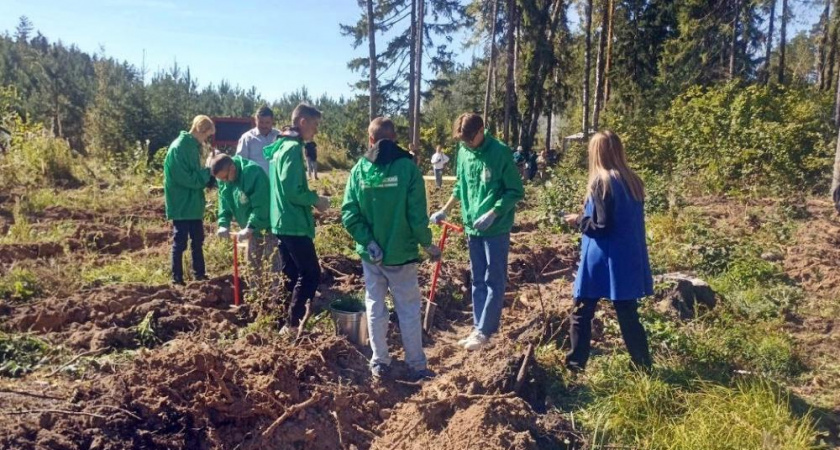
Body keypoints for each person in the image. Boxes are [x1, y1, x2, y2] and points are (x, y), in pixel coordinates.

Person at [342, 117, 441, 381]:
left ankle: (380, 361)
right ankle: (416, 365)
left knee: (375, 306)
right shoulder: (408, 170)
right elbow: (417, 215)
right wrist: (428, 244)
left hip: (372, 257)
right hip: (402, 255)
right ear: (394, 139)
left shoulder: (359, 170)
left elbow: (349, 214)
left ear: (370, 139)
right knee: (408, 309)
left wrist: (369, 242)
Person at [430, 113, 524, 351]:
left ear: (482, 130)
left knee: (495, 279)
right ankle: (478, 326)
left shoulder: (500, 152)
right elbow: (461, 185)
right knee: (477, 279)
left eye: (470, 140)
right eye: (462, 141)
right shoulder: (464, 152)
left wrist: (494, 212)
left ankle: (486, 331)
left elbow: (515, 190)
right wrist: (445, 210)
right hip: (473, 227)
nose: (466, 144)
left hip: (496, 229)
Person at [563, 131, 653, 372]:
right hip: (627, 256)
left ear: (597, 153)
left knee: (581, 312)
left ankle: (574, 366)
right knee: (627, 313)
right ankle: (643, 366)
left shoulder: (601, 182)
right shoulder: (632, 181)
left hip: (601, 257)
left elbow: (601, 226)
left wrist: (579, 220)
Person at [263, 103, 330, 332]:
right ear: (302, 122)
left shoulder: (280, 145)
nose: (316, 131)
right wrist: (316, 200)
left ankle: (282, 320)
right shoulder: (291, 148)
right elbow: (292, 191)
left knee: (291, 273)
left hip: (280, 219)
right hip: (292, 221)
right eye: (315, 125)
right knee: (311, 273)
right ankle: (292, 326)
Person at [163, 115, 214, 285]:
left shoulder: (193, 146)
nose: (206, 139)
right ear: (200, 130)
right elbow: (185, 178)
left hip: (193, 202)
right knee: (180, 242)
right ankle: (176, 278)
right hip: (182, 203)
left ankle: (199, 274)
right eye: (207, 135)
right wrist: (207, 175)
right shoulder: (179, 147)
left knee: (197, 240)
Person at [210, 153, 279, 276]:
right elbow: (224, 201)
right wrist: (223, 224)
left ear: (232, 168)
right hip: (251, 231)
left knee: (272, 269)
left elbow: (261, 205)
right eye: (220, 179)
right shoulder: (224, 180)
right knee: (253, 270)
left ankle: (276, 295)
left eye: (225, 178)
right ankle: (256, 294)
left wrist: (251, 226)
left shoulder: (252, 173)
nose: (223, 181)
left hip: (268, 228)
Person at [236, 106, 279, 174]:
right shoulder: (247, 138)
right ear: (256, 120)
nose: (264, 126)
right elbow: (241, 163)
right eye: (261, 122)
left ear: (272, 121)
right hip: (255, 182)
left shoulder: (279, 136)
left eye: (267, 122)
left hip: (275, 182)